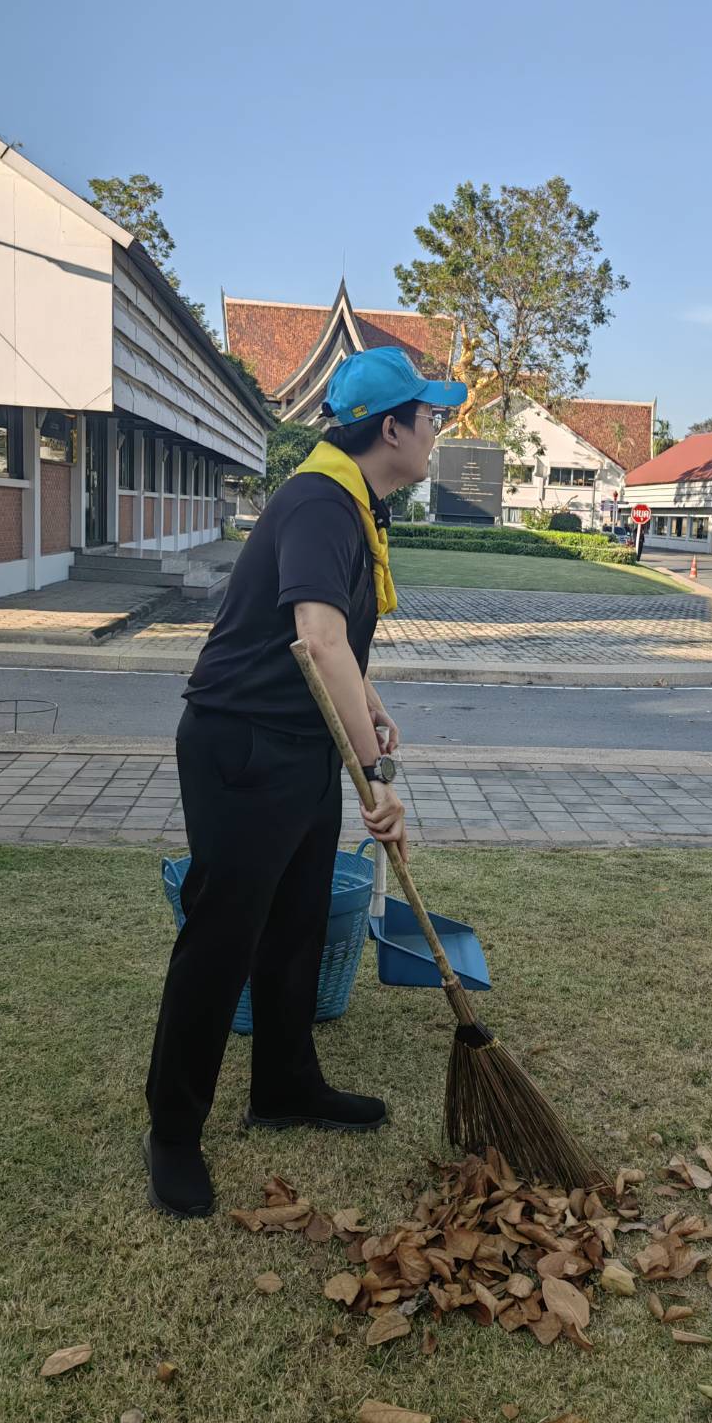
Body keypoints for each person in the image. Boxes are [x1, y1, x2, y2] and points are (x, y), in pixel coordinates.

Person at [143, 347, 467, 1219]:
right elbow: (317, 638)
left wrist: (370, 704)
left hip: (299, 742)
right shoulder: (322, 502)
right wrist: (376, 778)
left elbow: (330, 644)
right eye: (430, 418)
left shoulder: (348, 502)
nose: (436, 432)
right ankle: (172, 1130)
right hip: (243, 745)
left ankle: (284, 1084)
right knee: (223, 937)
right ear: (391, 429)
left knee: (296, 921)